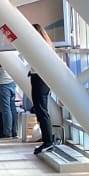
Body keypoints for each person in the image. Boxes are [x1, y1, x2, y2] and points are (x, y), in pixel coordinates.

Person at [28, 23, 56, 154]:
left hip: (40, 79)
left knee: (41, 110)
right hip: (39, 78)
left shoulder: (40, 46)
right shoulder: (43, 45)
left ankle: (48, 141)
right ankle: (47, 140)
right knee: (40, 110)